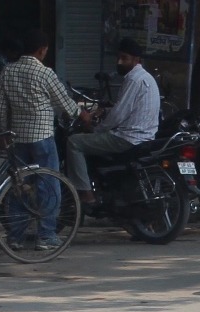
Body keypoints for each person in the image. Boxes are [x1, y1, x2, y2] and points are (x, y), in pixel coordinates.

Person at [0, 28, 82, 252]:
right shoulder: (45, 73)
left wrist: (3, 132)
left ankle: (15, 236)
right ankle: (46, 235)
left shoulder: (7, 71)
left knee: (20, 186)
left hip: (17, 139)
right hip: (42, 138)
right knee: (48, 185)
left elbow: (0, 111)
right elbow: (67, 105)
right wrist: (83, 115)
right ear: (42, 50)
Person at [66, 39, 160, 207]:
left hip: (127, 138)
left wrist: (96, 129)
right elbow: (127, 109)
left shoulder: (133, 79)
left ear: (136, 60)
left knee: (74, 142)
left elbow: (118, 115)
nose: (119, 62)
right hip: (145, 137)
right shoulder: (147, 78)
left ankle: (86, 194)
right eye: (118, 57)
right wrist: (104, 111)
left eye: (124, 58)